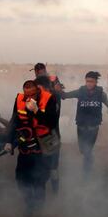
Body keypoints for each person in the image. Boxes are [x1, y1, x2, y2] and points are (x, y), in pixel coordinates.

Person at [5, 80, 58, 217]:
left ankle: (39, 210)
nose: (30, 99)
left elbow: (52, 122)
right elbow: (14, 121)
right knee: (21, 179)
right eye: (27, 95)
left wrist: (36, 111)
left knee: (39, 180)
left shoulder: (49, 99)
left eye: (33, 95)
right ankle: (29, 205)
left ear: (37, 91)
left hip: (42, 146)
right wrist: (9, 141)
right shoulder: (19, 99)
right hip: (25, 146)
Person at [59, 71, 108, 175]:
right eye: (87, 81)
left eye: (91, 81)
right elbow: (65, 96)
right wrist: (59, 89)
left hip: (93, 127)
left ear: (96, 82)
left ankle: (86, 172)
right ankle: (88, 160)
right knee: (82, 150)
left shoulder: (101, 94)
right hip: (81, 126)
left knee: (88, 150)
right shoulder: (80, 91)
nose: (89, 83)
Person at [31, 63, 63, 194]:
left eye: (42, 73)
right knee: (41, 164)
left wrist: (57, 91)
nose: (41, 75)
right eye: (38, 74)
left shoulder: (53, 86)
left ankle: (55, 188)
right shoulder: (34, 87)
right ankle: (41, 191)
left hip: (52, 131)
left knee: (53, 167)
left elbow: (59, 95)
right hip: (39, 132)